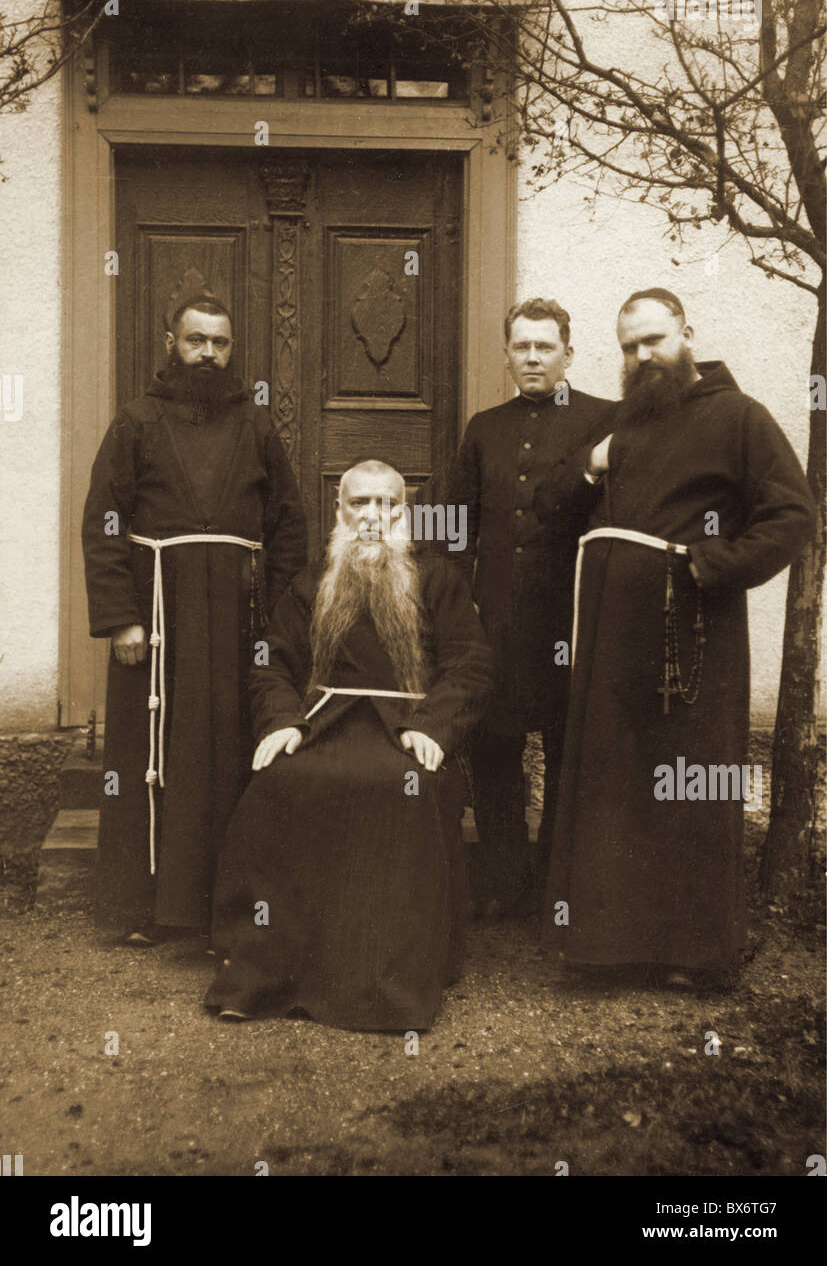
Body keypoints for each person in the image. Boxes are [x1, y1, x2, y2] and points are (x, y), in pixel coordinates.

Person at [537, 287, 816, 986]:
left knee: (686, 790)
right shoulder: (623, 426)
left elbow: (791, 515)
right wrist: (590, 466)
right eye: (628, 345)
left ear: (687, 333)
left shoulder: (739, 418)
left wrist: (707, 565)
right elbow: (550, 511)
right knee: (615, 786)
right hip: (613, 638)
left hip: (694, 636)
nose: (641, 356)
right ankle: (605, 949)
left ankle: (695, 957)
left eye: (653, 340)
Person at [204, 460, 493, 1030]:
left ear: (403, 513)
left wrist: (434, 728)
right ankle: (263, 973)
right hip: (324, 724)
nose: (372, 516)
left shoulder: (437, 578)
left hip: (408, 727)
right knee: (279, 782)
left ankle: (384, 984)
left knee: (399, 788)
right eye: (359, 503)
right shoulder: (314, 581)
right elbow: (271, 660)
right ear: (339, 511)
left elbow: (470, 665)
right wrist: (283, 721)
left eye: (386, 504)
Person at [82, 271, 307, 945]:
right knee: (150, 756)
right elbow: (104, 520)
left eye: (220, 343)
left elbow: (290, 525)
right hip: (156, 618)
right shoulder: (135, 422)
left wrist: (277, 620)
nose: (208, 354)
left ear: (232, 350)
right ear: (170, 343)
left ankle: (224, 908)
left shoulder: (256, 424)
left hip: (236, 620)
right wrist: (121, 618)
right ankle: (144, 909)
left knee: (229, 751)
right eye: (195, 341)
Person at [443, 298, 614, 915]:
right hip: (502, 619)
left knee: (571, 751)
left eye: (546, 346)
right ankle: (504, 884)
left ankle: (558, 887)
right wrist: (459, 606)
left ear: (569, 351)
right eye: (522, 347)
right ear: (507, 354)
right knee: (495, 750)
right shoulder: (483, 427)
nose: (534, 358)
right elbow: (457, 524)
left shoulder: (606, 420)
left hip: (574, 616)